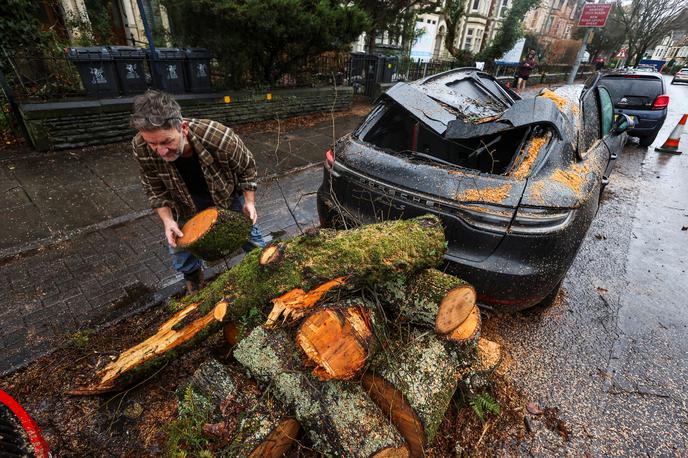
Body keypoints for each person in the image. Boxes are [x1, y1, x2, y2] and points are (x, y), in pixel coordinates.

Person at [131, 90, 266, 294]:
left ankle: (266, 272)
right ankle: (195, 286)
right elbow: (154, 189)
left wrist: (250, 202)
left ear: (183, 128)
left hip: (226, 196)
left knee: (253, 240)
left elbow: (247, 167)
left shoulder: (219, 137)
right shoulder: (140, 147)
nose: (160, 151)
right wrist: (168, 221)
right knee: (180, 253)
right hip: (182, 205)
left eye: (167, 141)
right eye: (153, 143)